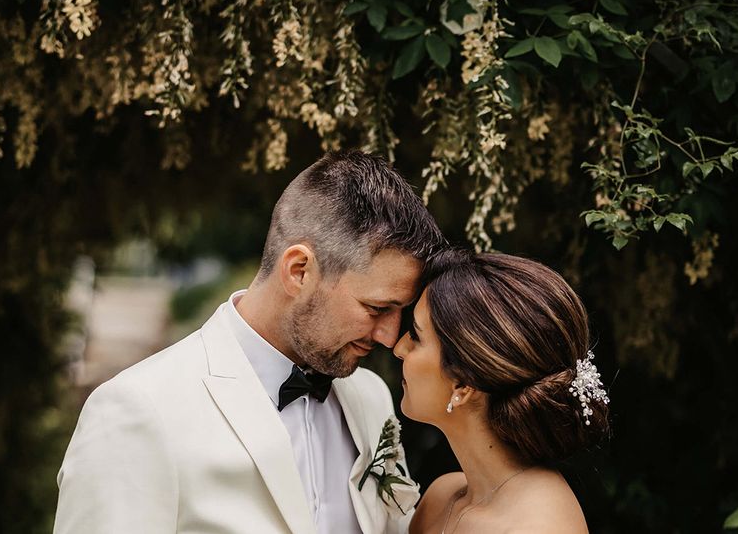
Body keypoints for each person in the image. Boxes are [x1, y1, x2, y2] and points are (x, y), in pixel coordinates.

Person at [54, 151, 445, 534]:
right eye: (376, 308)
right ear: (299, 271)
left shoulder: (371, 398)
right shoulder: (138, 410)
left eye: (399, 312)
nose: (390, 336)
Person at [394, 251, 610, 534]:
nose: (399, 348)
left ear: (462, 384)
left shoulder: (539, 527)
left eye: (416, 336)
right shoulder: (440, 499)